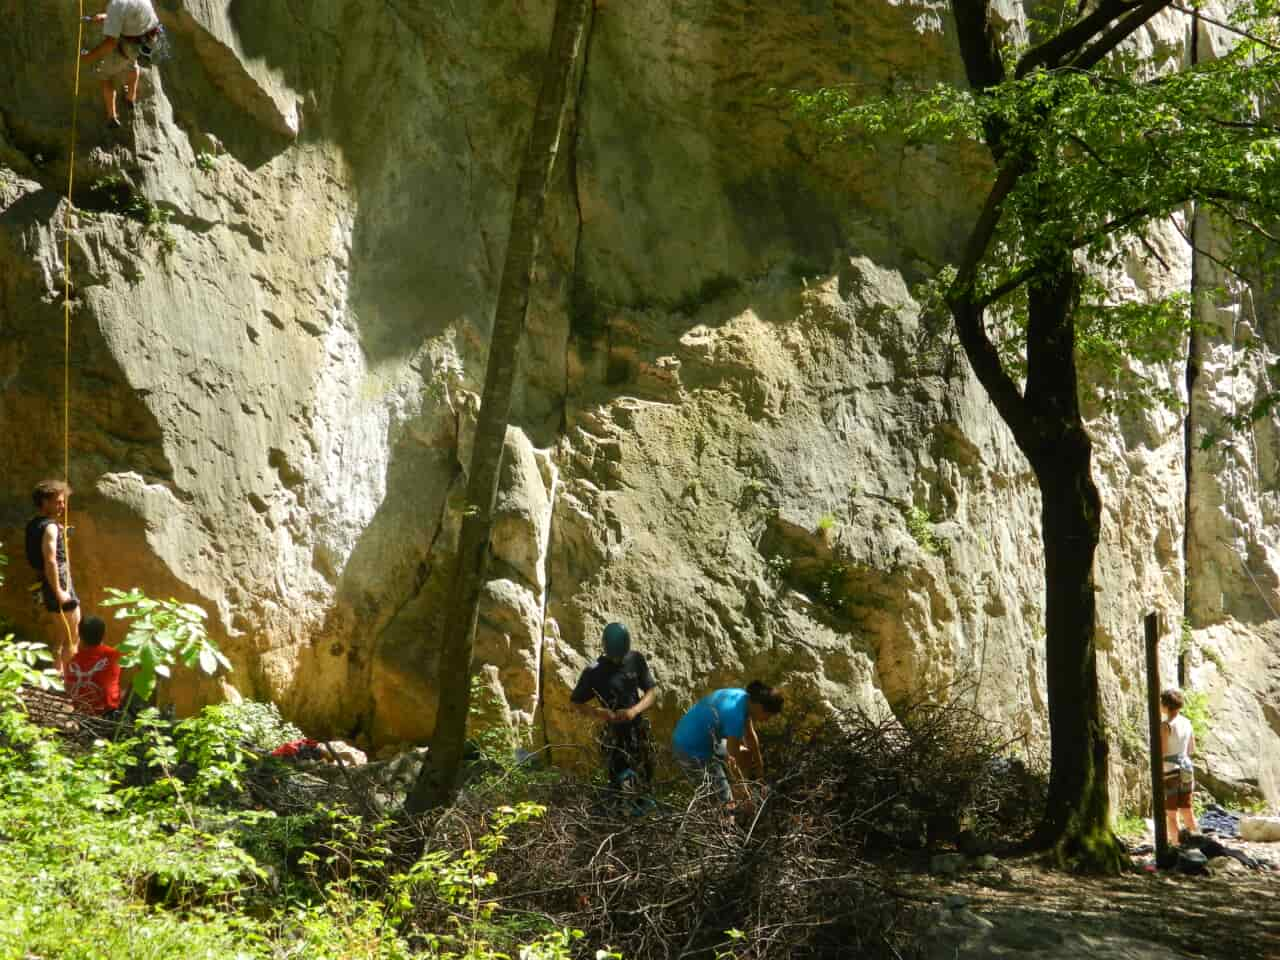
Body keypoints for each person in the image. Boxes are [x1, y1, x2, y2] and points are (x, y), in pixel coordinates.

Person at [569, 622, 658, 792]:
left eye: (621, 656)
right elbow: (575, 703)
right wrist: (598, 712)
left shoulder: (635, 660)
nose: (618, 660)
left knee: (645, 777)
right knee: (619, 782)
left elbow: (651, 692)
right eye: (614, 657)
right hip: (614, 735)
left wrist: (634, 711)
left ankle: (644, 810)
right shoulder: (593, 671)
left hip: (637, 731)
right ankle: (620, 812)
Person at [672, 681, 783, 809]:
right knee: (724, 801)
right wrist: (744, 792)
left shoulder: (745, 699)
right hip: (690, 749)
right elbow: (733, 760)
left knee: (745, 754)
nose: (767, 720)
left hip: (709, 740)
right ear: (759, 706)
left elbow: (750, 737)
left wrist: (760, 775)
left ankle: (740, 799)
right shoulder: (735, 715)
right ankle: (729, 818)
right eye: (768, 716)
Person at [25, 480, 80, 672]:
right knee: (72, 632)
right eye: (58, 502)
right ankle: (68, 677)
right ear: (44, 502)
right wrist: (60, 592)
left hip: (47, 581)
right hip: (58, 582)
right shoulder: (50, 528)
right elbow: (50, 561)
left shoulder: (34, 524)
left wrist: (60, 535)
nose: (62, 506)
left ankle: (57, 671)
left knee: (60, 630)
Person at [80, 0, 161, 128]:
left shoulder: (115, 5)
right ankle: (130, 97)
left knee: (104, 74)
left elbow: (110, 43)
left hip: (131, 44)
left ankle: (112, 117)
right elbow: (131, 11)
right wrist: (108, 17)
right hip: (149, 37)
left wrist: (88, 57)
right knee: (132, 62)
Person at [63, 615, 125, 716]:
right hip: (108, 713)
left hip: (81, 713)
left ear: (80, 635)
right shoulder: (114, 655)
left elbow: (68, 689)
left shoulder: (72, 663)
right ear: (104, 634)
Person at [1161, 688, 1199, 841]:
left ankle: (1176, 846)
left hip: (1171, 770)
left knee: (1171, 814)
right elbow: (1192, 749)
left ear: (1165, 705)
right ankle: (1197, 842)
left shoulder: (1166, 725)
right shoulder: (1187, 722)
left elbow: (1162, 751)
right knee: (1187, 810)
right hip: (1186, 768)